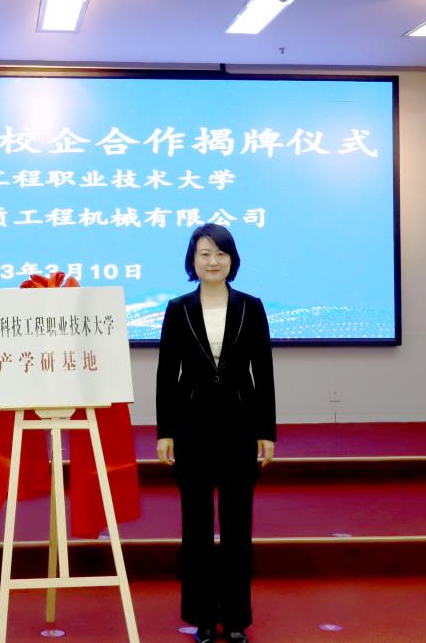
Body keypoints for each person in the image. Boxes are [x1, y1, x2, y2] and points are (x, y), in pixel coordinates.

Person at [155, 223, 276, 643]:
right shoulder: (178, 309)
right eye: (205, 253)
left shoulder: (251, 307)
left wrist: (266, 431)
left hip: (241, 426)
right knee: (197, 527)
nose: (213, 261)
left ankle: (237, 619)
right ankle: (203, 617)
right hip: (192, 427)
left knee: (238, 526)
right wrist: (165, 432)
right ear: (193, 260)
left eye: (220, 253)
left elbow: (263, 371)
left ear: (232, 260)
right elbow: (167, 374)